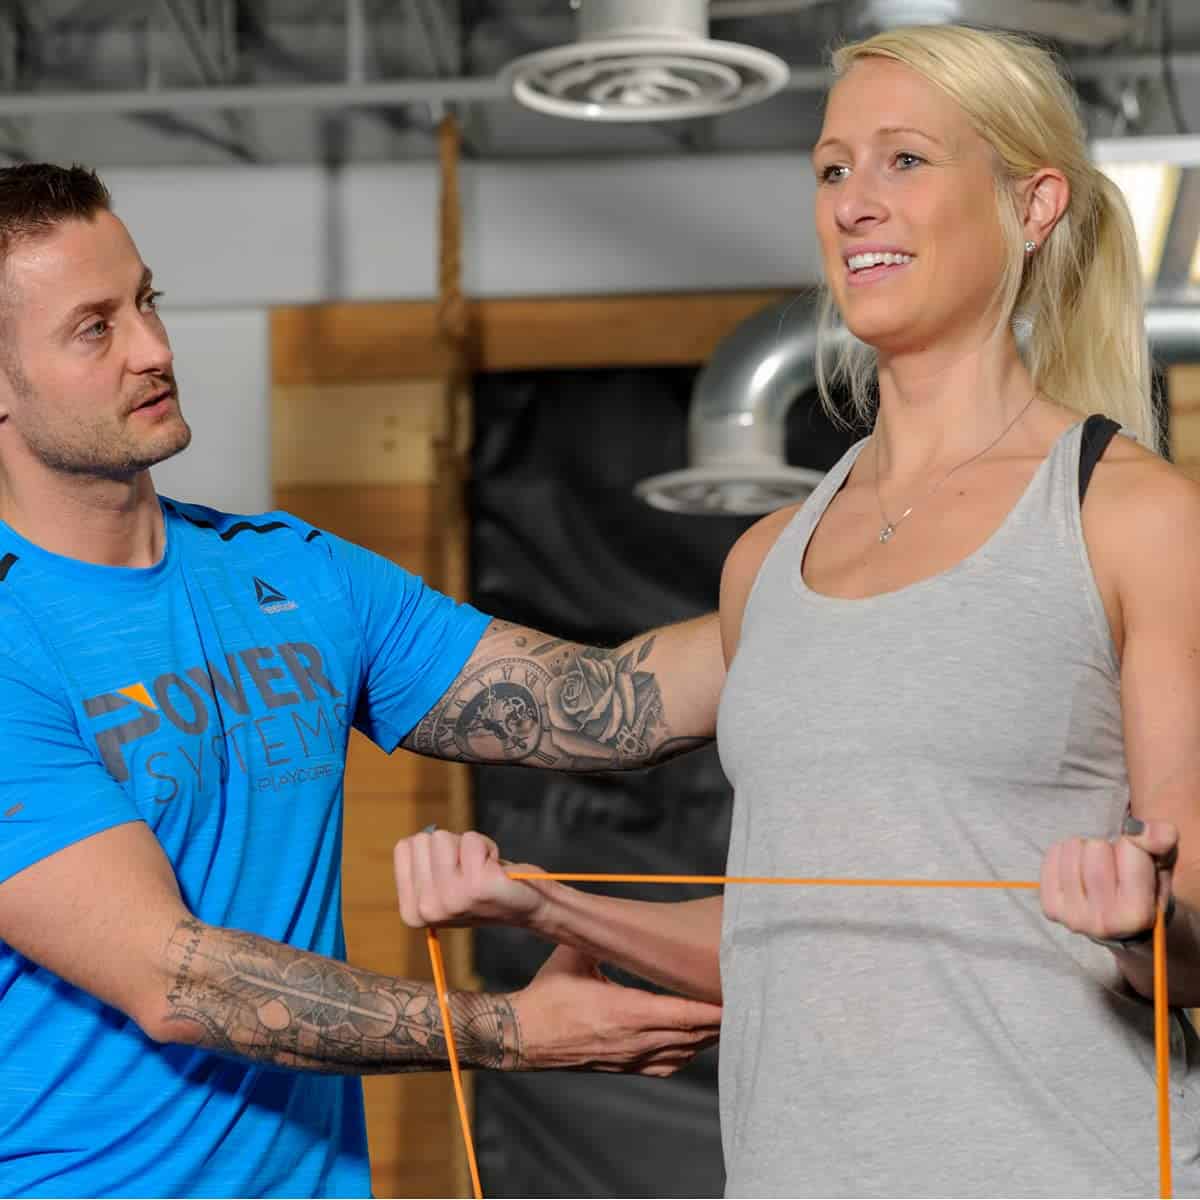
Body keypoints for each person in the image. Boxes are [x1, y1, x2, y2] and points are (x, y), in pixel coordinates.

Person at [393, 23, 1200, 1198]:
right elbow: (784, 941)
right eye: (832, 168)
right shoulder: (766, 561)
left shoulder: (1133, 516)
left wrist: (1139, 924)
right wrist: (544, 902)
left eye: (905, 160)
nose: (854, 202)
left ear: (1033, 205)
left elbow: (1196, 938)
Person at [0, 162, 728, 1198]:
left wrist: (819, 587)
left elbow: (609, 711)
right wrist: (512, 1031)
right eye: (93, 328)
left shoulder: (294, 573)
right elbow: (176, 978)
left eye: (146, 301)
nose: (154, 348)